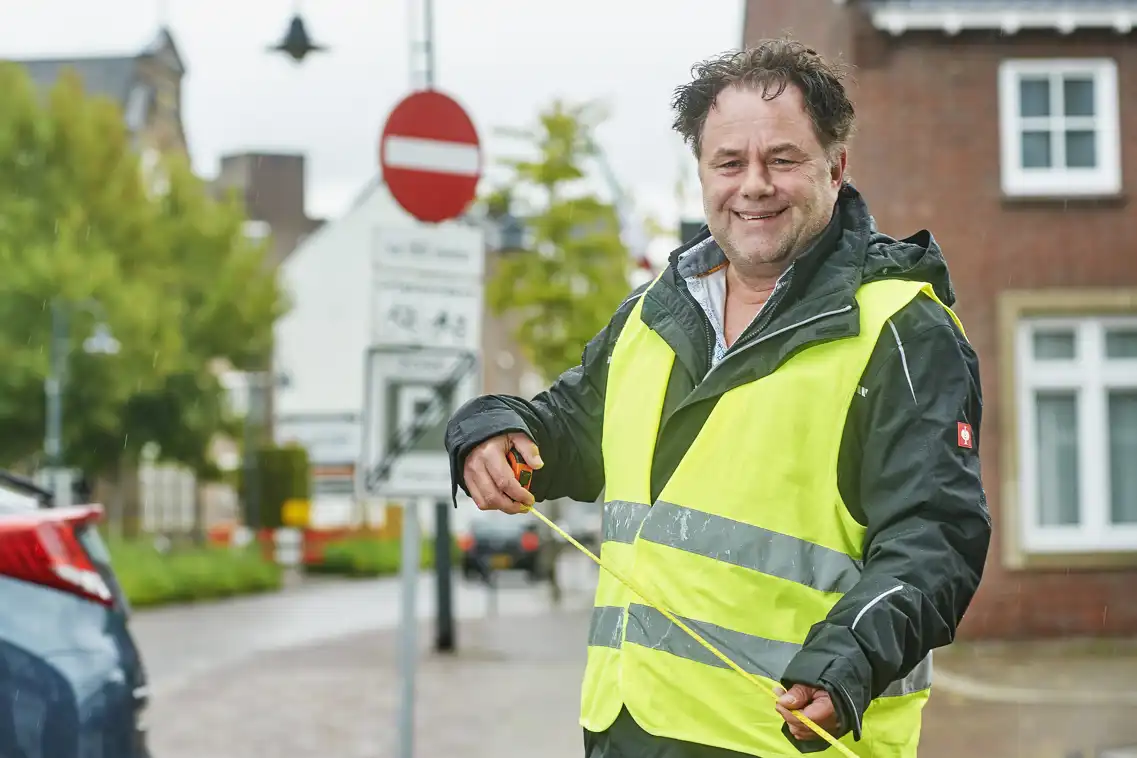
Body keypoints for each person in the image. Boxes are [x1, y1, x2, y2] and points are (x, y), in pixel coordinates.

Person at [445, 37, 990, 758]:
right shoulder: (653, 314)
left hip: (788, 738)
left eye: (782, 160)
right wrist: (491, 428)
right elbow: (569, 434)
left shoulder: (901, 329)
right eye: (728, 163)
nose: (753, 185)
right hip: (627, 730)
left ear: (836, 167)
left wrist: (849, 659)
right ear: (701, 173)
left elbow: (935, 538)